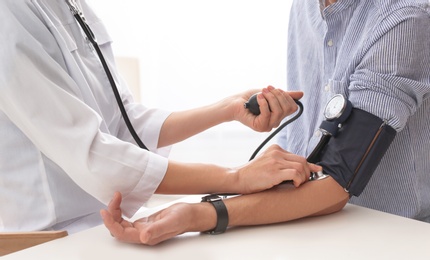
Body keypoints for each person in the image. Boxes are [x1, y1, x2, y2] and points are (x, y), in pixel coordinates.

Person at [101, 0, 430, 245]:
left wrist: (200, 214)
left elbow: (338, 179)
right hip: (302, 224)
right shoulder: (305, 8)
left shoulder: (404, 19)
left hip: (390, 234)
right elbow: (309, 146)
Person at [0, 0, 320, 234]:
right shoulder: (8, 16)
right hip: (53, 240)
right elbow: (94, 157)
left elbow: (125, 122)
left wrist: (227, 109)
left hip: (106, 227)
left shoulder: (69, 4)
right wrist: (237, 177)